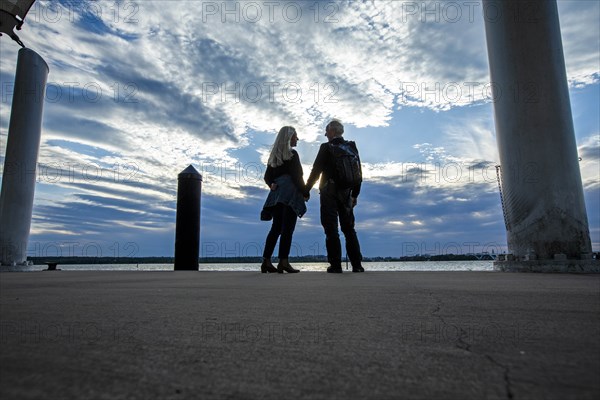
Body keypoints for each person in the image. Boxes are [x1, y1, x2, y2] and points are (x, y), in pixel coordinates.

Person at [304, 120, 364, 273]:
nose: (325, 134)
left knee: (331, 229)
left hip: (328, 191)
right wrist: (355, 194)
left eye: (326, 131)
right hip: (347, 193)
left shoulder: (326, 147)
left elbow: (316, 171)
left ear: (331, 131)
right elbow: (358, 173)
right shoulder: (351, 147)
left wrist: (306, 190)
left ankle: (336, 265)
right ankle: (357, 265)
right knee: (349, 229)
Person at [260, 126, 307, 273]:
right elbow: (297, 176)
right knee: (288, 229)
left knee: (276, 228)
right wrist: (305, 192)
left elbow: (267, 177)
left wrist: (271, 184)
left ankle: (266, 261)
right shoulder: (293, 155)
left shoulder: (274, 158)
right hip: (290, 195)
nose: (297, 139)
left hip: (277, 197)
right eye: (295, 136)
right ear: (288, 138)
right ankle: (283, 262)